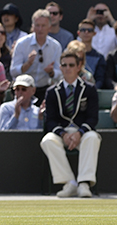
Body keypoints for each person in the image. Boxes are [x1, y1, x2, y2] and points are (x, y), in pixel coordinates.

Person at [41, 51, 100, 198]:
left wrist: (79, 133)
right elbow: (51, 120)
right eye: (64, 65)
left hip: (82, 132)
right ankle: (69, 183)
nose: (68, 68)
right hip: (62, 133)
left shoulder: (89, 89)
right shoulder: (52, 92)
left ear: (79, 67)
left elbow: (93, 118)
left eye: (71, 65)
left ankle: (84, 183)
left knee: (93, 137)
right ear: (60, 68)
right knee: (47, 140)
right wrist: (63, 134)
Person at [10, 9, 61, 98]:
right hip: (24, 89)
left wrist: (51, 72)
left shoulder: (56, 46)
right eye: (37, 25)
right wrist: (28, 64)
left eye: (43, 26)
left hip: (44, 90)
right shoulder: (22, 43)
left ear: (49, 28)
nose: (40, 29)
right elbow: (13, 72)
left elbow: (60, 74)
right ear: (33, 27)